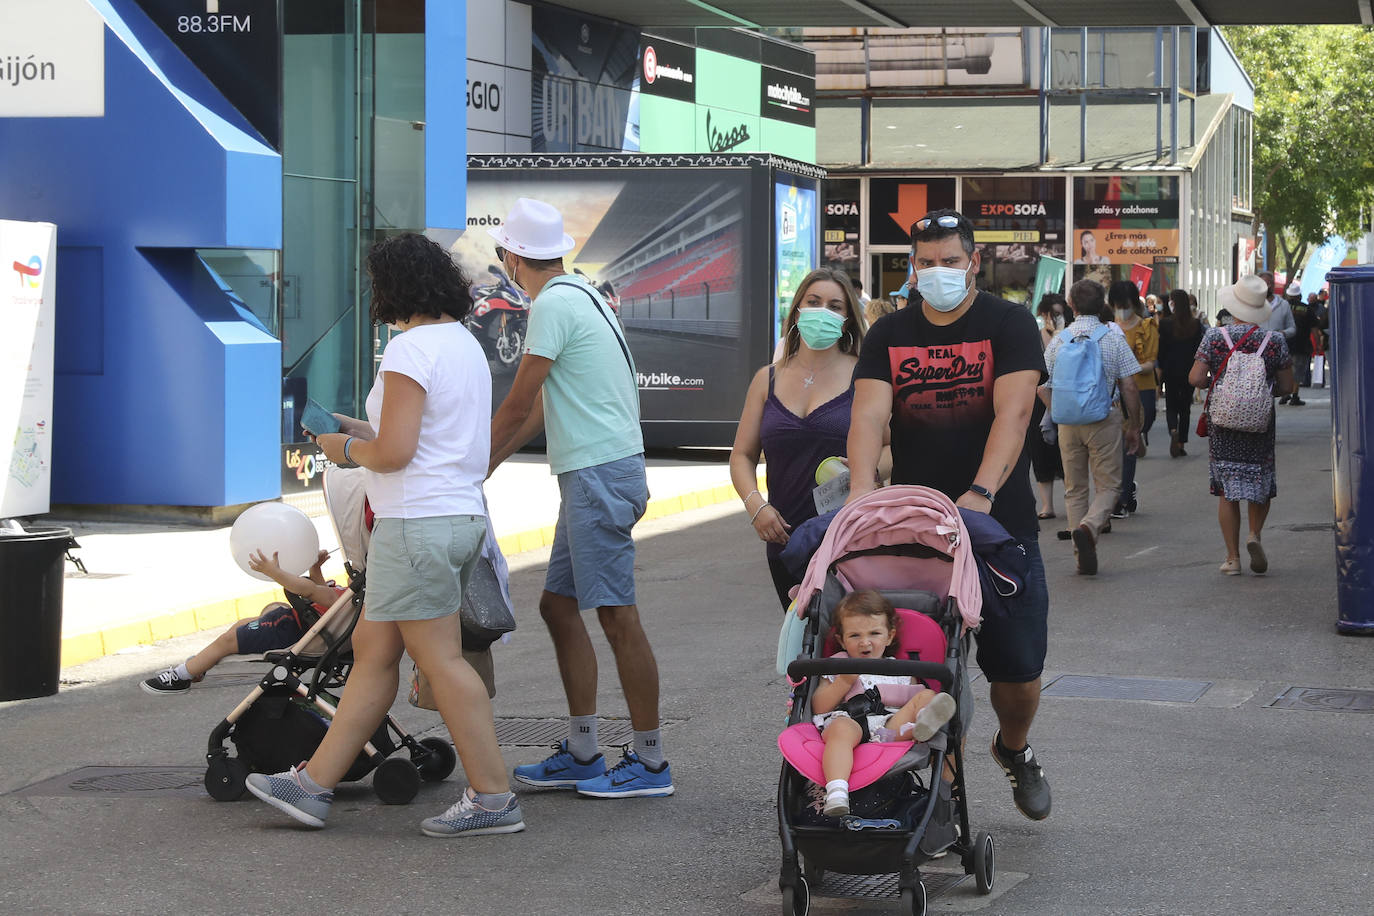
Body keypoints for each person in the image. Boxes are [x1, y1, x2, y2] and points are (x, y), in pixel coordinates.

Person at [247, 234, 521, 836]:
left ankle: (494, 799)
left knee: (442, 663)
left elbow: (393, 452)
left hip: (414, 525)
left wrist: (340, 447)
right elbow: (420, 436)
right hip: (453, 517)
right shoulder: (463, 345)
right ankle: (312, 785)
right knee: (374, 656)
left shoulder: (408, 351)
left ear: (394, 288)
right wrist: (358, 429)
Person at [847, 208, 1053, 822]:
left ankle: (1013, 749)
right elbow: (867, 417)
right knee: (926, 670)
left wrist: (982, 493)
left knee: (1017, 675)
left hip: (997, 526)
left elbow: (1013, 414)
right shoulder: (890, 334)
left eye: (949, 262)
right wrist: (861, 487)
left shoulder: (1009, 323)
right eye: (926, 263)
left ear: (973, 263)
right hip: (915, 533)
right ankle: (939, 792)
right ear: (913, 266)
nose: (937, 272)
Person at [487, 198, 673, 798]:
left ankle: (649, 763)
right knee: (558, 607)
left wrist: (470, 463)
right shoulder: (583, 295)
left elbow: (519, 403)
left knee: (618, 616)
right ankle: (585, 750)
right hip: (596, 471)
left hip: (597, 474)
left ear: (513, 257)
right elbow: (544, 406)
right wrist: (486, 463)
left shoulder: (551, 306)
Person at [731, 268, 869, 609]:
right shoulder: (768, 379)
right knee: (800, 649)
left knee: (847, 648)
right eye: (814, 302)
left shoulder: (865, 377)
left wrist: (868, 467)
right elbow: (742, 455)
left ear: (848, 318)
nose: (823, 311)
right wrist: (755, 506)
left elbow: (894, 445)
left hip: (848, 537)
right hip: (783, 538)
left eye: (835, 306)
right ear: (797, 311)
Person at [810, 591, 956, 817]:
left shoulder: (899, 669)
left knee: (926, 696)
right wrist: (844, 681)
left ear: (889, 636)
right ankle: (837, 790)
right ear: (841, 640)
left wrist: (918, 704)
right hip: (850, 723)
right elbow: (819, 706)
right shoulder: (837, 664)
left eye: (874, 633)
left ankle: (924, 723)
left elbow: (910, 699)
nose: (865, 642)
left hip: (888, 728)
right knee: (841, 730)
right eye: (855, 635)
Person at [1189, 275, 1294, 576]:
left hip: (1224, 423)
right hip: (1260, 423)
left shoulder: (1214, 337)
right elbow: (1287, 386)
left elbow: (1196, 378)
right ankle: (1254, 535)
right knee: (1259, 481)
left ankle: (1233, 558)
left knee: (1227, 490)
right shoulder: (1275, 341)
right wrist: (1260, 388)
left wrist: (1221, 384)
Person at [1042, 279, 1143, 575]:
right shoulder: (1112, 337)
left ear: (1071, 305)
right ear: (1103, 306)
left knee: (1074, 489)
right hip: (1103, 418)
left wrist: (1058, 411)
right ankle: (1090, 525)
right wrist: (1134, 425)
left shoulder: (1059, 340)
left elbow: (1041, 387)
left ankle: (1080, 553)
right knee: (1110, 485)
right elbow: (1129, 385)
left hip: (1068, 423)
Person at [141, 549, 341, 695]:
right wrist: (315, 568)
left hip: (292, 630)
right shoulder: (352, 596)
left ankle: (181, 677)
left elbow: (310, 591)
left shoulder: (350, 596)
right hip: (300, 622)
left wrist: (275, 573)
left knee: (228, 641)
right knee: (247, 622)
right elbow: (325, 595)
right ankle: (199, 664)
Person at [1110, 280, 1158, 518]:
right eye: (1117, 305)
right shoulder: (1107, 327)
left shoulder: (1146, 326)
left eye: (1124, 304)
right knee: (1118, 447)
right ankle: (1124, 493)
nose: (1121, 309)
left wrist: (1124, 369)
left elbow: (1151, 362)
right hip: (1112, 394)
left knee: (1128, 445)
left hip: (1140, 389)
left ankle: (1122, 499)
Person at [1030, 294, 1067, 519]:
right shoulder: (1034, 336)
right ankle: (1047, 506)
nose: (1055, 317)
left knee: (1065, 452)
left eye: (1059, 313)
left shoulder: (1069, 337)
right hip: (1037, 399)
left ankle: (1073, 502)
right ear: (1043, 314)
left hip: (1063, 396)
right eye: (1051, 313)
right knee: (1040, 451)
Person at [1157, 288, 1205, 457]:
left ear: (1173, 303)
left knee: (1171, 404)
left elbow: (1161, 351)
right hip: (1189, 369)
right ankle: (1181, 442)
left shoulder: (1164, 324)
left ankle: (1173, 429)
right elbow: (1199, 350)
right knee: (1185, 407)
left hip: (1170, 369)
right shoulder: (1195, 324)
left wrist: (1159, 373)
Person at [1284, 293, 1320, 404]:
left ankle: (1284, 395)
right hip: (1302, 344)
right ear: (1300, 296)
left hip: (1284, 343)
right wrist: (1318, 344)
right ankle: (1295, 396)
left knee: (1285, 369)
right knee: (1298, 371)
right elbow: (1314, 329)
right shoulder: (1307, 308)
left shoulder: (1282, 307)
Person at [1258, 272, 1297, 346]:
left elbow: (1292, 328)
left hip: (1277, 348)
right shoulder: (1252, 304)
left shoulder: (1283, 304)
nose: (1267, 287)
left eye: (1268, 284)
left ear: (1273, 285)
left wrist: (1282, 333)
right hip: (1256, 349)